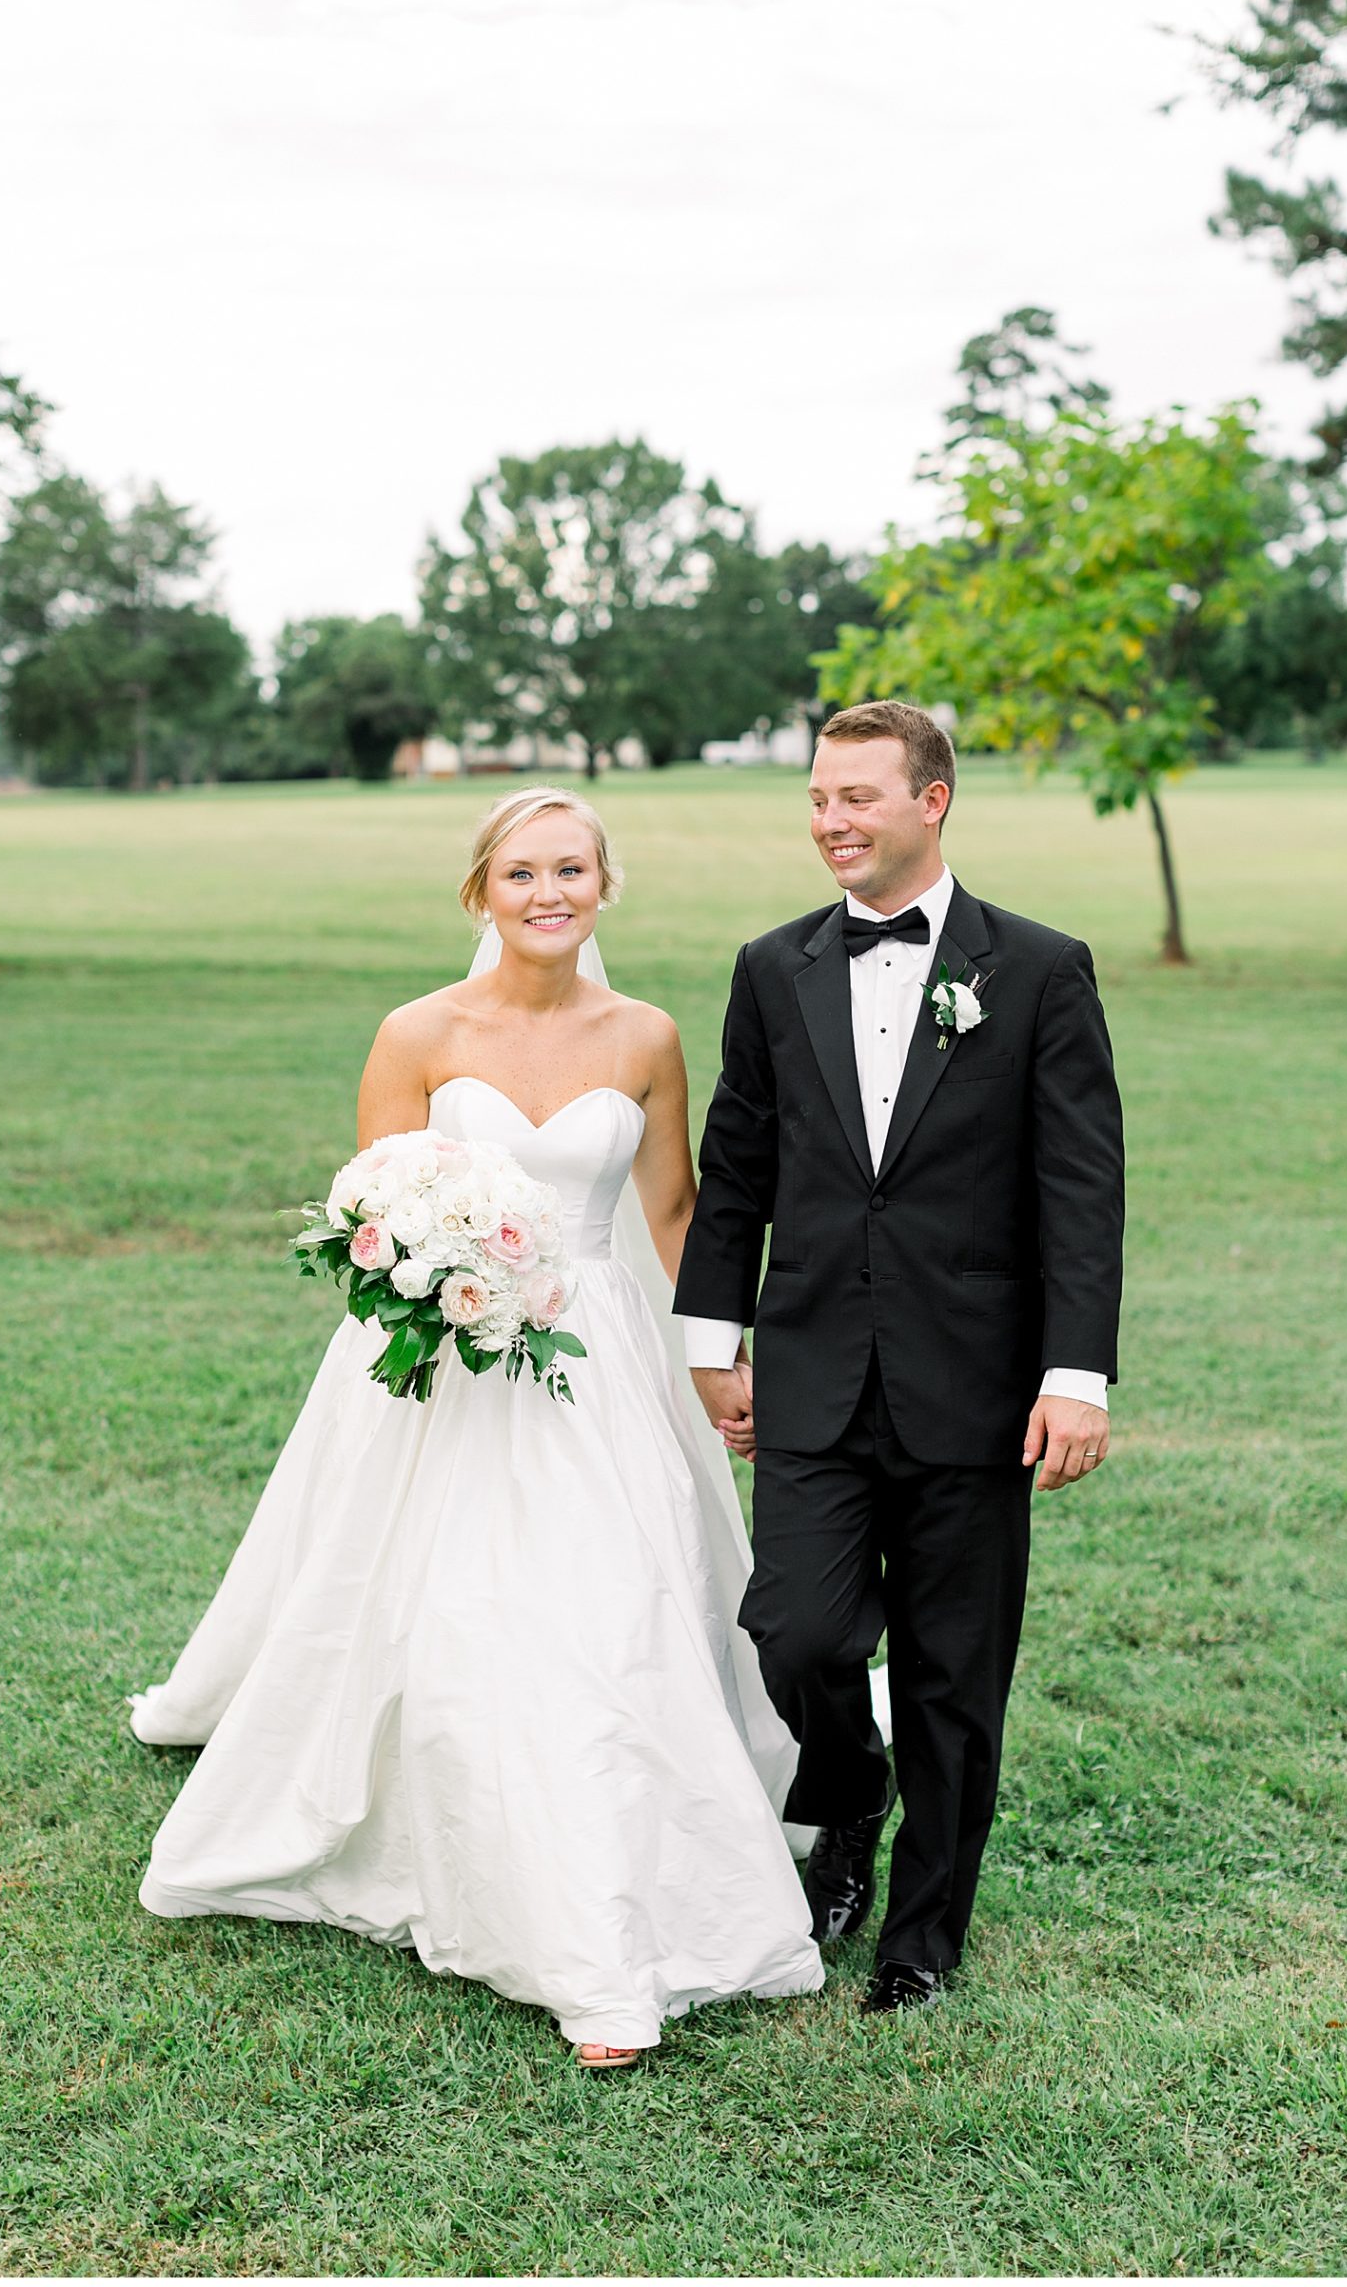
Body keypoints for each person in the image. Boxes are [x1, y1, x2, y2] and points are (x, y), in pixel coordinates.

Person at [128, 786, 825, 2070]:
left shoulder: (649, 1036)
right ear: (479, 893)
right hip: (446, 1366)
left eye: (572, 868)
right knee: (452, 1612)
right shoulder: (416, 1032)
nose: (548, 892)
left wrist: (721, 1361)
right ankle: (559, 1930)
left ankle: (609, 1904)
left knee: (610, 1612)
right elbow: (373, 1218)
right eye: (521, 873)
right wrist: (438, 1284)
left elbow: (674, 1216)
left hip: (602, 1360)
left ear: (605, 886)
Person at [675, 699, 1124, 2017]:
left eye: (857, 797)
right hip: (811, 1371)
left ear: (931, 801)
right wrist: (714, 1343)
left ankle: (922, 1931)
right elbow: (737, 1170)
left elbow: (1079, 1192)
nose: (830, 819)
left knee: (951, 1670)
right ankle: (847, 1790)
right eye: (818, 797)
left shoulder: (1038, 970)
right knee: (798, 1632)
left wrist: (1074, 1376)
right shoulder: (771, 967)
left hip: (976, 1383)